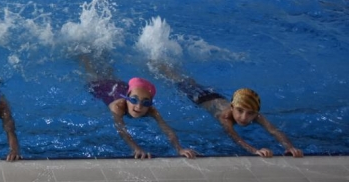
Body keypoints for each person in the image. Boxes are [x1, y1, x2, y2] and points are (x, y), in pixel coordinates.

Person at [154, 62, 303, 158]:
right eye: (240, 111)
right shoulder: (224, 117)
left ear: (256, 113)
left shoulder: (255, 115)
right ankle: (158, 65)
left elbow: (274, 131)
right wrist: (255, 151)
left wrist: (290, 147)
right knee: (177, 80)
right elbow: (235, 138)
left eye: (250, 113)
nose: (244, 117)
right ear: (232, 107)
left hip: (214, 95)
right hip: (199, 98)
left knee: (189, 80)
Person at [79, 53, 196, 159]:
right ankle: (83, 55)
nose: (139, 106)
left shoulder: (151, 110)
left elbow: (167, 129)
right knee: (92, 70)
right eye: (134, 100)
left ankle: (102, 54)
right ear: (127, 97)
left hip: (120, 86)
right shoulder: (118, 107)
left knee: (108, 72)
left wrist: (179, 148)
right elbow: (121, 130)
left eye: (145, 102)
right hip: (102, 87)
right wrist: (136, 148)